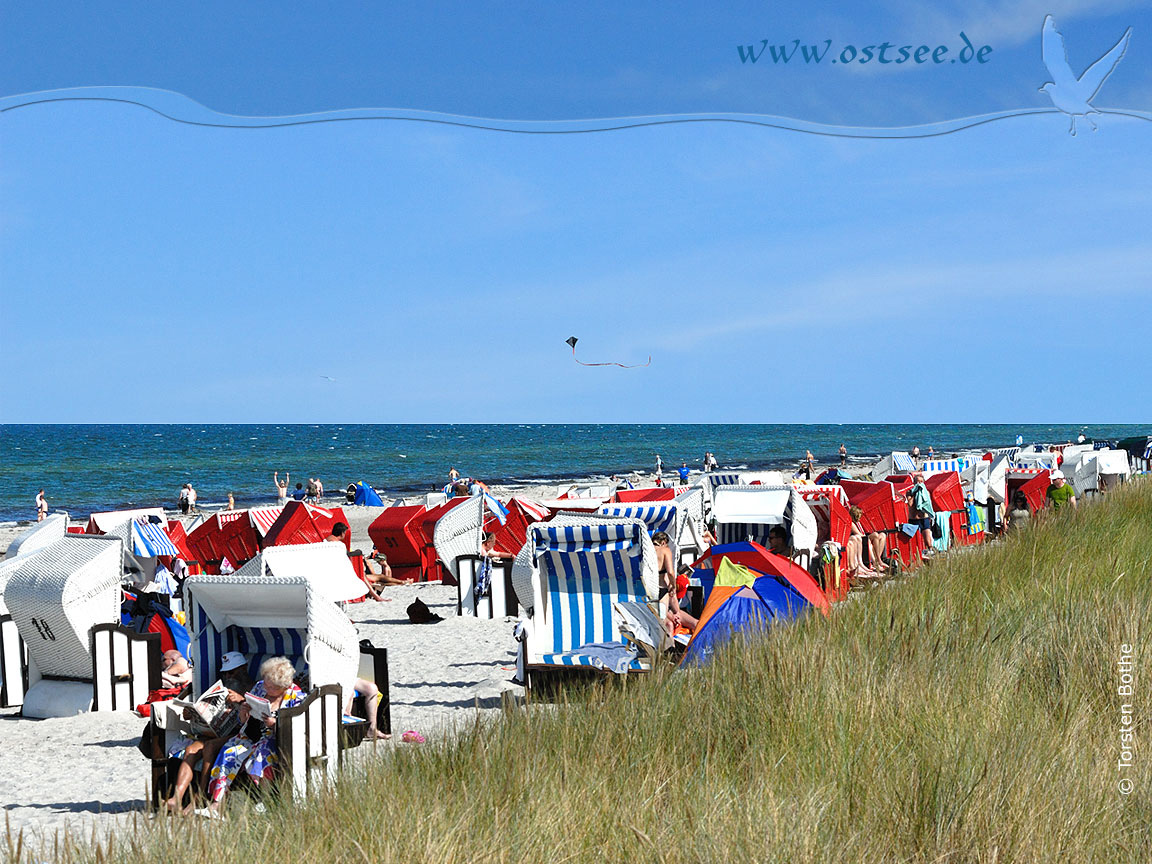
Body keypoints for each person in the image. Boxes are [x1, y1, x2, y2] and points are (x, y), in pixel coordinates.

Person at [202, 656, 305, 815]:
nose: (266, 688)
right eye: (265, 682)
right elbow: (242, 720)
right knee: (229, 752)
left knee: (261, 754)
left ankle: (264, 800)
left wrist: (276, 724)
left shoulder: (296, 696)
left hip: (277, 740)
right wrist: (243, 713)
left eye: (271, 687)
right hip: (252, 734)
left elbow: (297, 727)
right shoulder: (259, 687)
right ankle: (217, 803)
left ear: (283, 687)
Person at [165, 652, 254, 814]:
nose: (228, 676)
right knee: (190, 750)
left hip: (237, 735)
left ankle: (200, 795)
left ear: (243, 669)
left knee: (210, 747)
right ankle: (176, 798)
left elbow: (256, 719)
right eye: (225, 673)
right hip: (215, 732)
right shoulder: (222, 688)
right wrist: (192, 714)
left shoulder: (253, 688)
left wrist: (242, 701)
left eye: (232, 672)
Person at [906, 472, 935, 556]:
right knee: (914, 542)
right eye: (917, 482)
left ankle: (930, 552)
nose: (919, 484)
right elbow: (910, 504)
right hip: (914, 520)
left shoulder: (926, 493)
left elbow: (927, 504)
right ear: (914, 483)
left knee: (928, 540)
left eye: (921, 482)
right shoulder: (909, 492)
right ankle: (916, 555)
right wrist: (915, 493)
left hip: (924, 518)